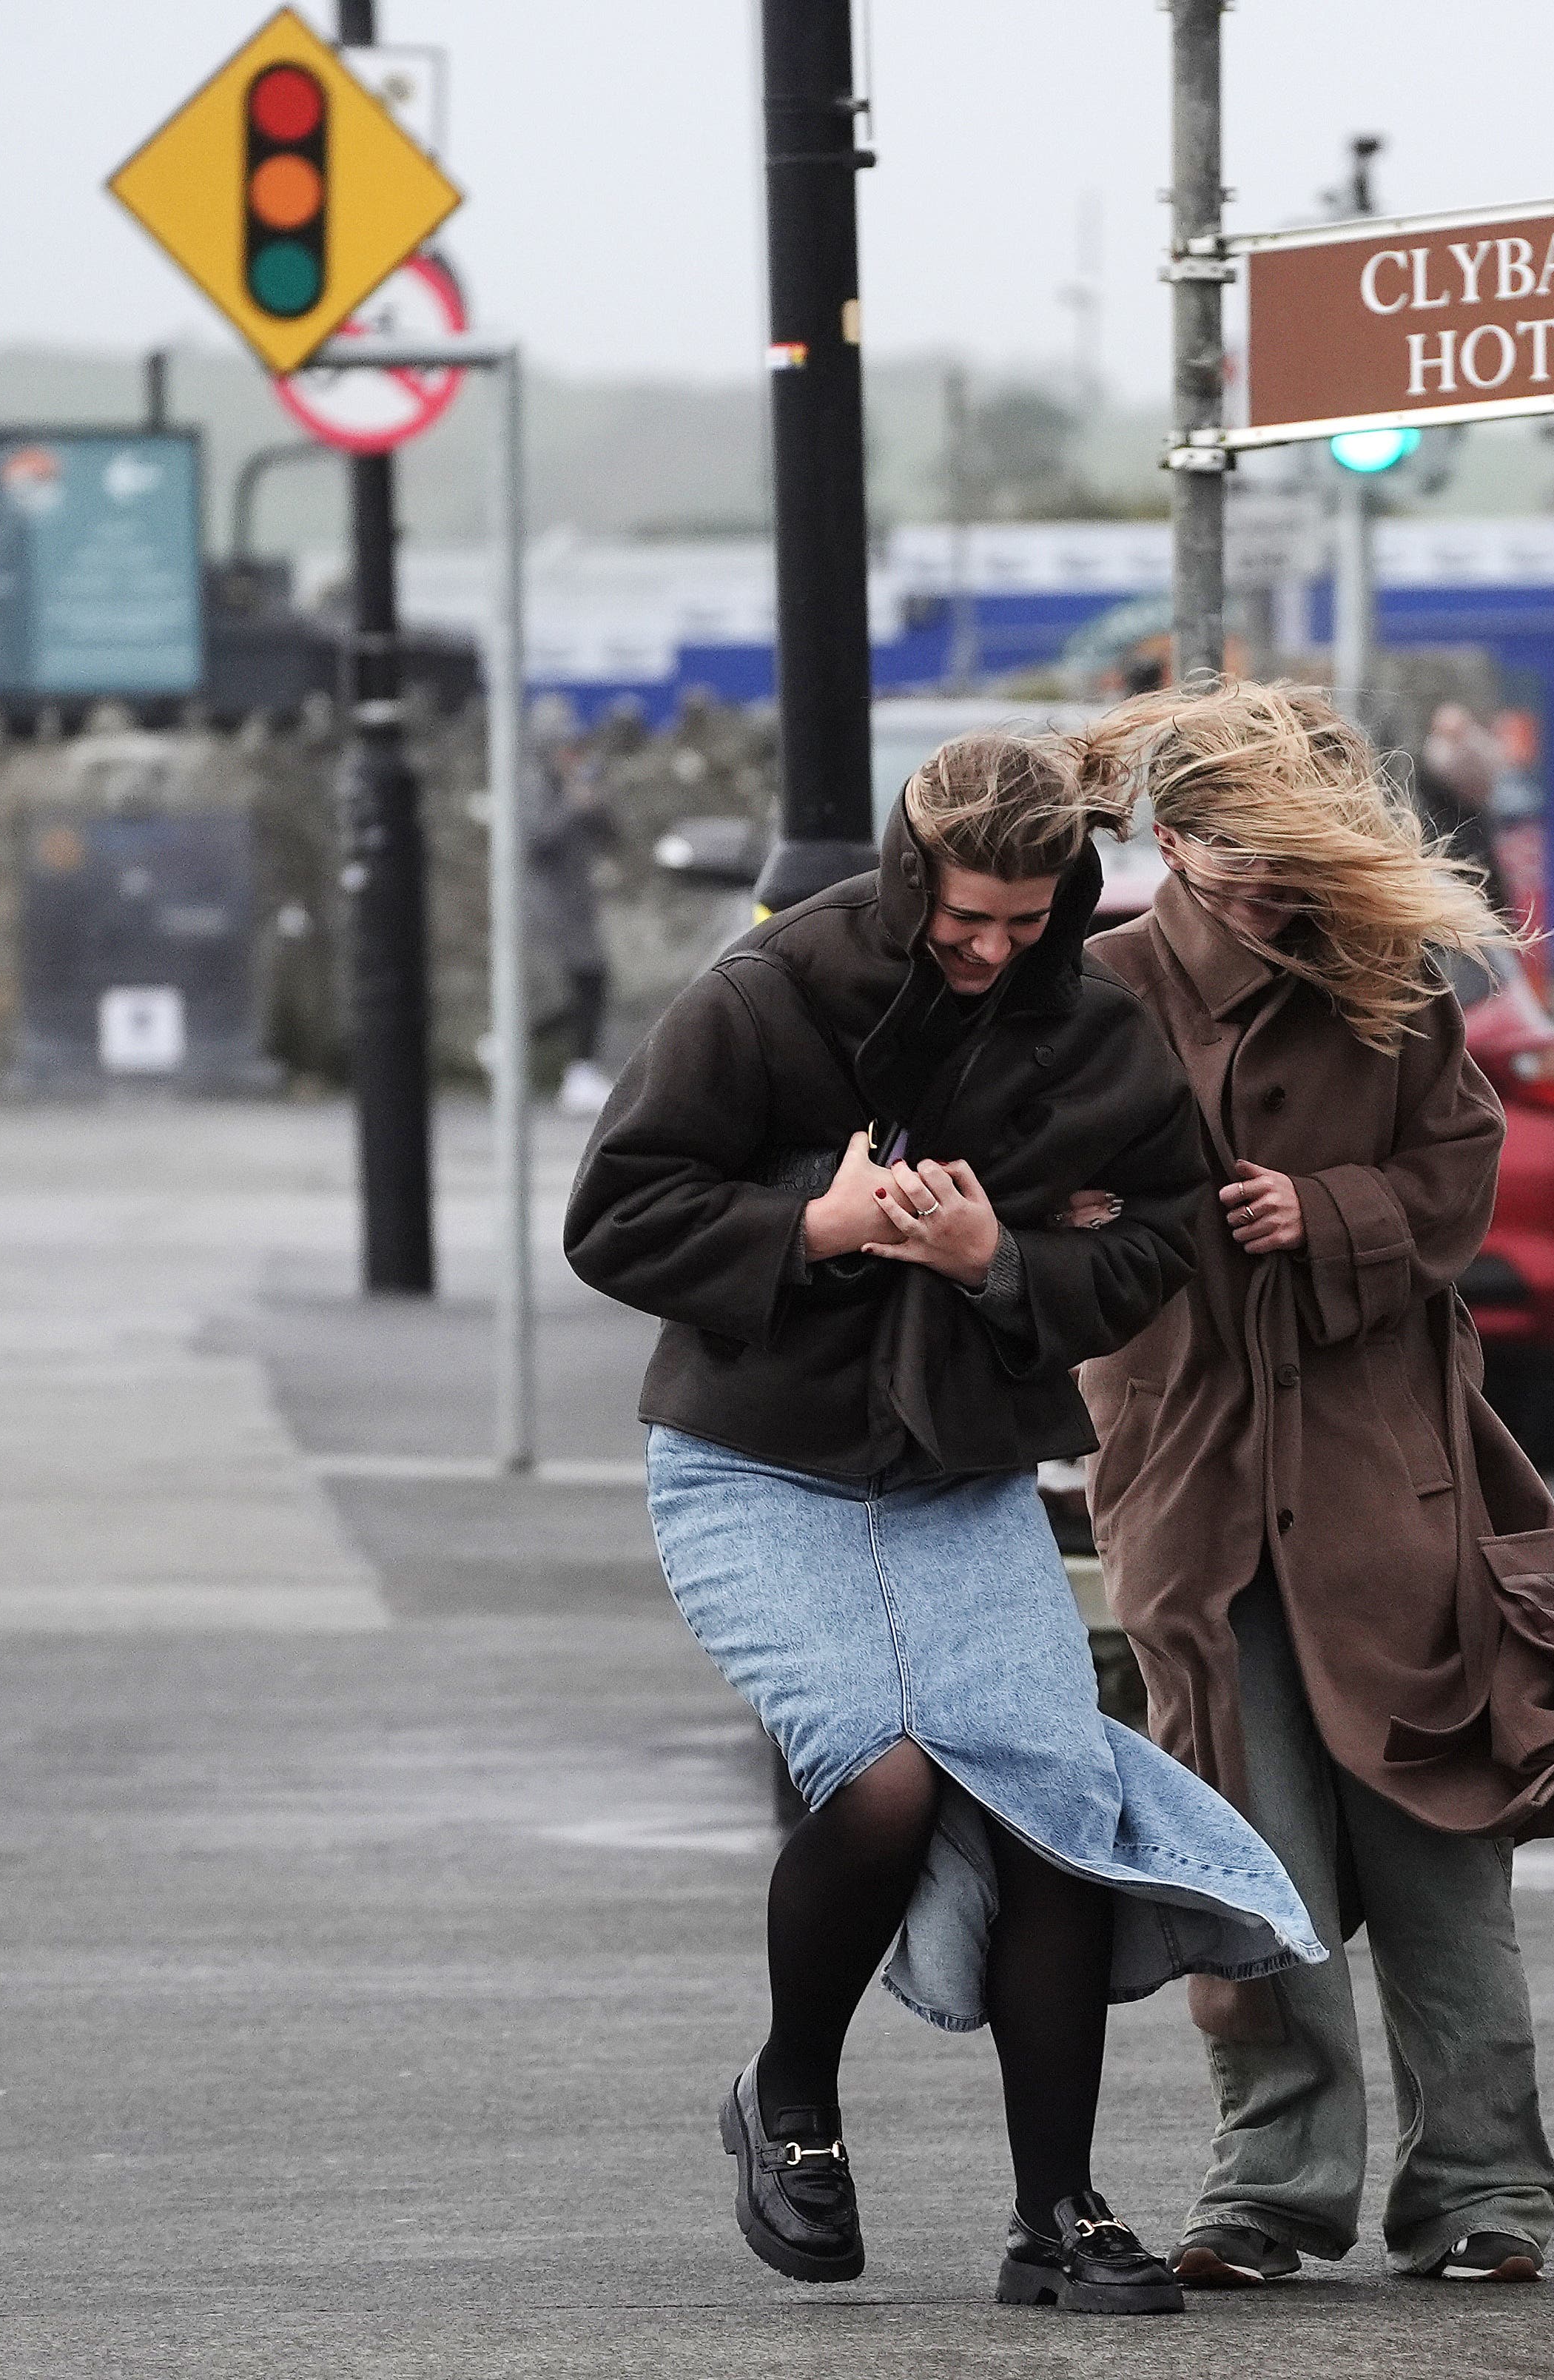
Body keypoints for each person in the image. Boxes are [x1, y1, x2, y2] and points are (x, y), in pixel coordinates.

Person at [562, 729, 1323, 2316]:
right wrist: (817, 1224)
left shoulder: (1096, 1034)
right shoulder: (770, 991)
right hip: (754, 1462)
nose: (989, 951)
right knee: (890, 1771)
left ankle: (1057, 2214)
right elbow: (616, 1212)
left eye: (1023, 922)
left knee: (1050, 1798)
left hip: (960, 1469)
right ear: (915, 877)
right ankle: (792, 2096)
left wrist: (999, 1260)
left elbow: (1160, 1239)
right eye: (964, 919)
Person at [1074, 682, 1554, 2292]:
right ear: (1174, 842)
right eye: (1244, 854)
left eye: (1299, 853)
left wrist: (1326, 1214)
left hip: (1384, 1482)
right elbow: (1052, 1235)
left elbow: (1457, 1185)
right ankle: (1269, 2191)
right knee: (1245, 1858)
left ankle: (1483, 2191)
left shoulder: (1393, 992)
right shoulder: (1097, 997)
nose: (1275, 883)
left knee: (1439, 1845)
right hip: (1191, 1485)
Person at [522, 698, 621, 1115]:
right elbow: (536, 840)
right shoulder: (531, 784)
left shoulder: (573, 783)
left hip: (577, 901)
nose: (571, 754)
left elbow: (612, 833)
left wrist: (594, 805)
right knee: (583, 982)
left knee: (589, 983)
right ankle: (574, 1070)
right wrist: (571, 807)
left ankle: (561, 1062)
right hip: (547, 903)